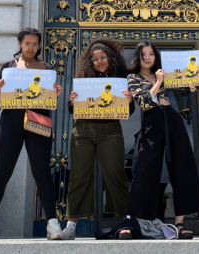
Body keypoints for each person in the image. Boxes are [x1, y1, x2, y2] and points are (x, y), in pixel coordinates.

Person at [0, 27, 64, 241]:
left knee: (42, 172)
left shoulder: (46, 68)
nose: (31, 47)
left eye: (35, 44)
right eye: (27, 43)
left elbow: (47, 102)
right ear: (20, 44)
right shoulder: (8, 68)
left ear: (39, 46)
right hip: (11, 123)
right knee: (2, 172)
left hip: (38, 123)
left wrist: (54, 94)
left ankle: (52, 224)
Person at [124, 41, 199, 239]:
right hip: (152, 121)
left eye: (151, 54)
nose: (148, 58)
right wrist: (157, 82)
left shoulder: (165, 73)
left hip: (172, 118)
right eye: (143, 54)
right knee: (145, 170)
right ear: (138, 57)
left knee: (182, 167)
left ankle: (180, 224)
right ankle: (134, 221)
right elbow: (144, 102)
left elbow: (192, 83)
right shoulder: (133, 77)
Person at [62, 37, 134, 240]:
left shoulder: (121, 78)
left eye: (102, 57)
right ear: (90, 62)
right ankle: (71, 225)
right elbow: (72, 110)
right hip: (83, 132)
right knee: (78, 177)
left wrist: (129, 100)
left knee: (116, 174)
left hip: (110, 131)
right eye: (95, 59)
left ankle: (126, 222)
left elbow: (127, 111)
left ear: (109, 58)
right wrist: (72, 101)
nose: (99, 61)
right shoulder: (84, 79)